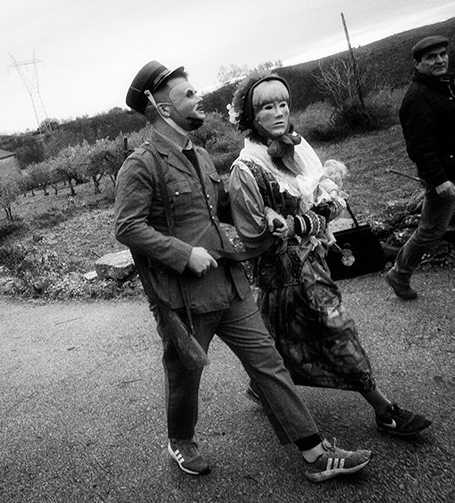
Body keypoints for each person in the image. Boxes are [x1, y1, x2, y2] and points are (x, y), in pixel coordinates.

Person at [114, 61, 372, 482]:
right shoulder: (141, 164)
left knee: (269, 363)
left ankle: (314, 453)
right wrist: (183, 253)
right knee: (185, 375)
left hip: (230, 285)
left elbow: (217, 207)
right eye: (189, 95)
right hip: (183, 299)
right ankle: (181, 440)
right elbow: (127, 227)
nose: (199, 99)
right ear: (164, 110)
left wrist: (263, 211)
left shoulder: (197, 154)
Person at [226, 72, 431, 438]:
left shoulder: (298, 148)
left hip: (311, 264)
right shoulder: (247, 167)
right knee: (336, 331)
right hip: (281, 275)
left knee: (279, 341)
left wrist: (304, 222)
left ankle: (261, 385)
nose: (278, 113)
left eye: (283, 103)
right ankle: (385, 411)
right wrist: (288, 224)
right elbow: (252, 234)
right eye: (267, 106)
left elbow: (329, 201)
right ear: (250, 115)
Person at [385, 35, 455, 300]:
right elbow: (420, 148)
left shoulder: (445, 85)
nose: (440, 60)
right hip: (448, 180)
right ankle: (398, 274)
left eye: (442, 54)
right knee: (430, 231)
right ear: (418, 63)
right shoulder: (417, 98)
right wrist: (439, 180)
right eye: (431, 57)